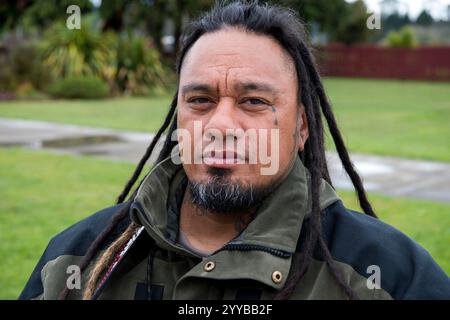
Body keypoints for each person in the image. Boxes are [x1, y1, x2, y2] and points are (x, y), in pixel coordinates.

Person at [20, 1, 450, 300]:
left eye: (254, 101)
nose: (221, 125)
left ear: (302, 126)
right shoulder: (78, 258)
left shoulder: (387, 275)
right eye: (200, 100)